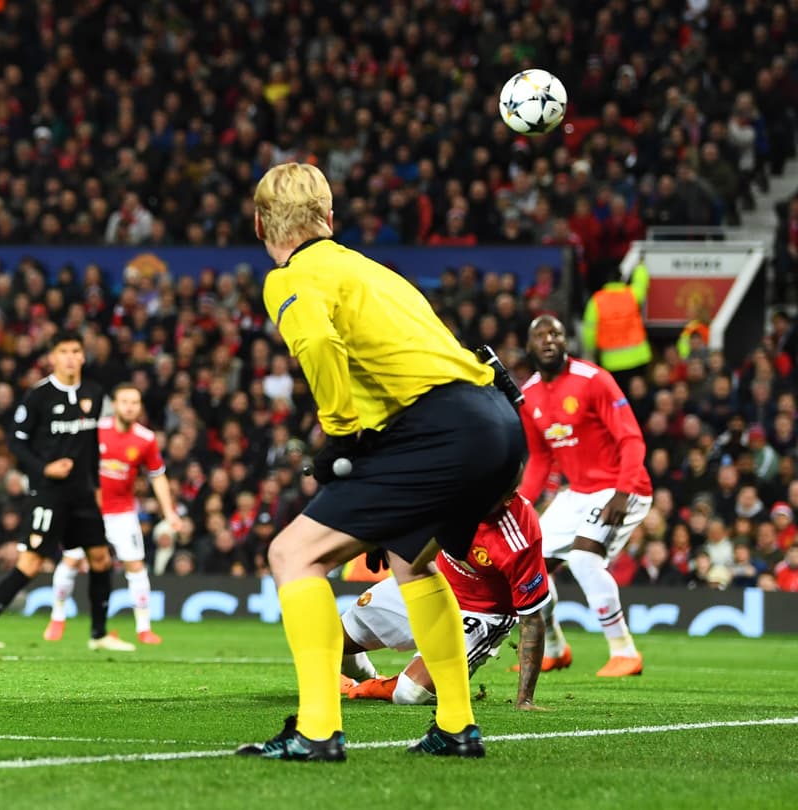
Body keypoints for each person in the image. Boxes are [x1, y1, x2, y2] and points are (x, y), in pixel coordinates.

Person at [236, 163, 525, 762]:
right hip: (495, 420)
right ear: (329, 218)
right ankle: (456, 726)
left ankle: (317, 731)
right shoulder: (370, 270)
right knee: (410, 560)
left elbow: (318, 343)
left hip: (437, 430)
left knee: (293, 555)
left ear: (260, 224)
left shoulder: (290, 277)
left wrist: (341, 436)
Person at [0, 331, 135, 652]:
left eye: (76, 351)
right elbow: (16, 442)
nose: (70, 357)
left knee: (100, 559)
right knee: (30, 563)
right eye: (64, 351)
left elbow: (92, 447)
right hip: (49, 494)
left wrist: (97, 488)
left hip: (83, 494)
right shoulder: (39, 395)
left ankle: (99, 634)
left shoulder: (94, 392)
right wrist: (44, 469)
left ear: (83, 356)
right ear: (53, 357)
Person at [519, 315, 651, 678]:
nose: (549, 340)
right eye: (540, 335)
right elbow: (540, 459)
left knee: (583, 559)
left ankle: (624, 652)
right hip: (577, 493)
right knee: (529, 567)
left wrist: (623, 492)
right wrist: (520, 504)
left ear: (567, 342)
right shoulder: (528, 394)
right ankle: (554, 649)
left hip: (621, 488)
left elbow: (631, 439)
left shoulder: (593, 379)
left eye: (556, 334)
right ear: (529, 346)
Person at [338, 491, 547, 711]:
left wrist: (525, 699)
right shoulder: (454, 486)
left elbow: (532, 619)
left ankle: (380, 687)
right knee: (331, 639)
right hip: (430, 580)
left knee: (410, 693)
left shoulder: (519, 540)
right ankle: (367, 678)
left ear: (507, 497)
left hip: (479, 612)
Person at [44, 383, 182, 645]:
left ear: (140, 407)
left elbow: (157, 476)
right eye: (125, 402)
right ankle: (57, 617)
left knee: (135, 565)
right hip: (87, 509)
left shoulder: (146, 439)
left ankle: (144, 628)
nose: (130, 407)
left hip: (122, 512)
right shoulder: (95, 429)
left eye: (135, 403)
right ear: (115, 405)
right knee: (71, 561)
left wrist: (169, 512)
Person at [581, 262, 651, 397]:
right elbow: (641, 283)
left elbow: (589, 332)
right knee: (637, 398)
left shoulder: (596, 301)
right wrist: (641, 266)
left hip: (611, 362)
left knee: (617, 399)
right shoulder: (631, 294)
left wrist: (591, 351)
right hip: (638, 359)